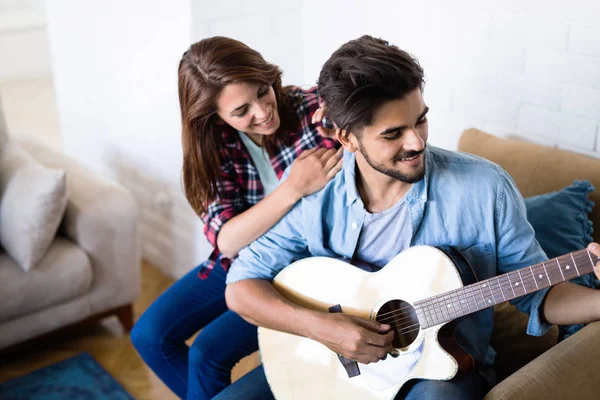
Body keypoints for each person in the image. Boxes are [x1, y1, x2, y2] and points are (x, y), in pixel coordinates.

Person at [216, 35, 600, 400]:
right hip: (332, 366)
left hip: (442, 370)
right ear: (347, 138)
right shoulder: (317, 194)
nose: (417, 141)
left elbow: (540, 294)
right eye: (393, 133)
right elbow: (240, 287)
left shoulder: (485, 188)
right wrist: (325, 328)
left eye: (421, 120)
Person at [130, 36, 342, 400]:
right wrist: (293, 188)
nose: (262, 111)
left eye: (262, 91)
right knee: (149, 335)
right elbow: (226, 240)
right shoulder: (213, 148)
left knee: (207, 354)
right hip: (244, 258)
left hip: (302, 267)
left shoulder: (310, 111)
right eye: (242, 110)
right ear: (214, 116)